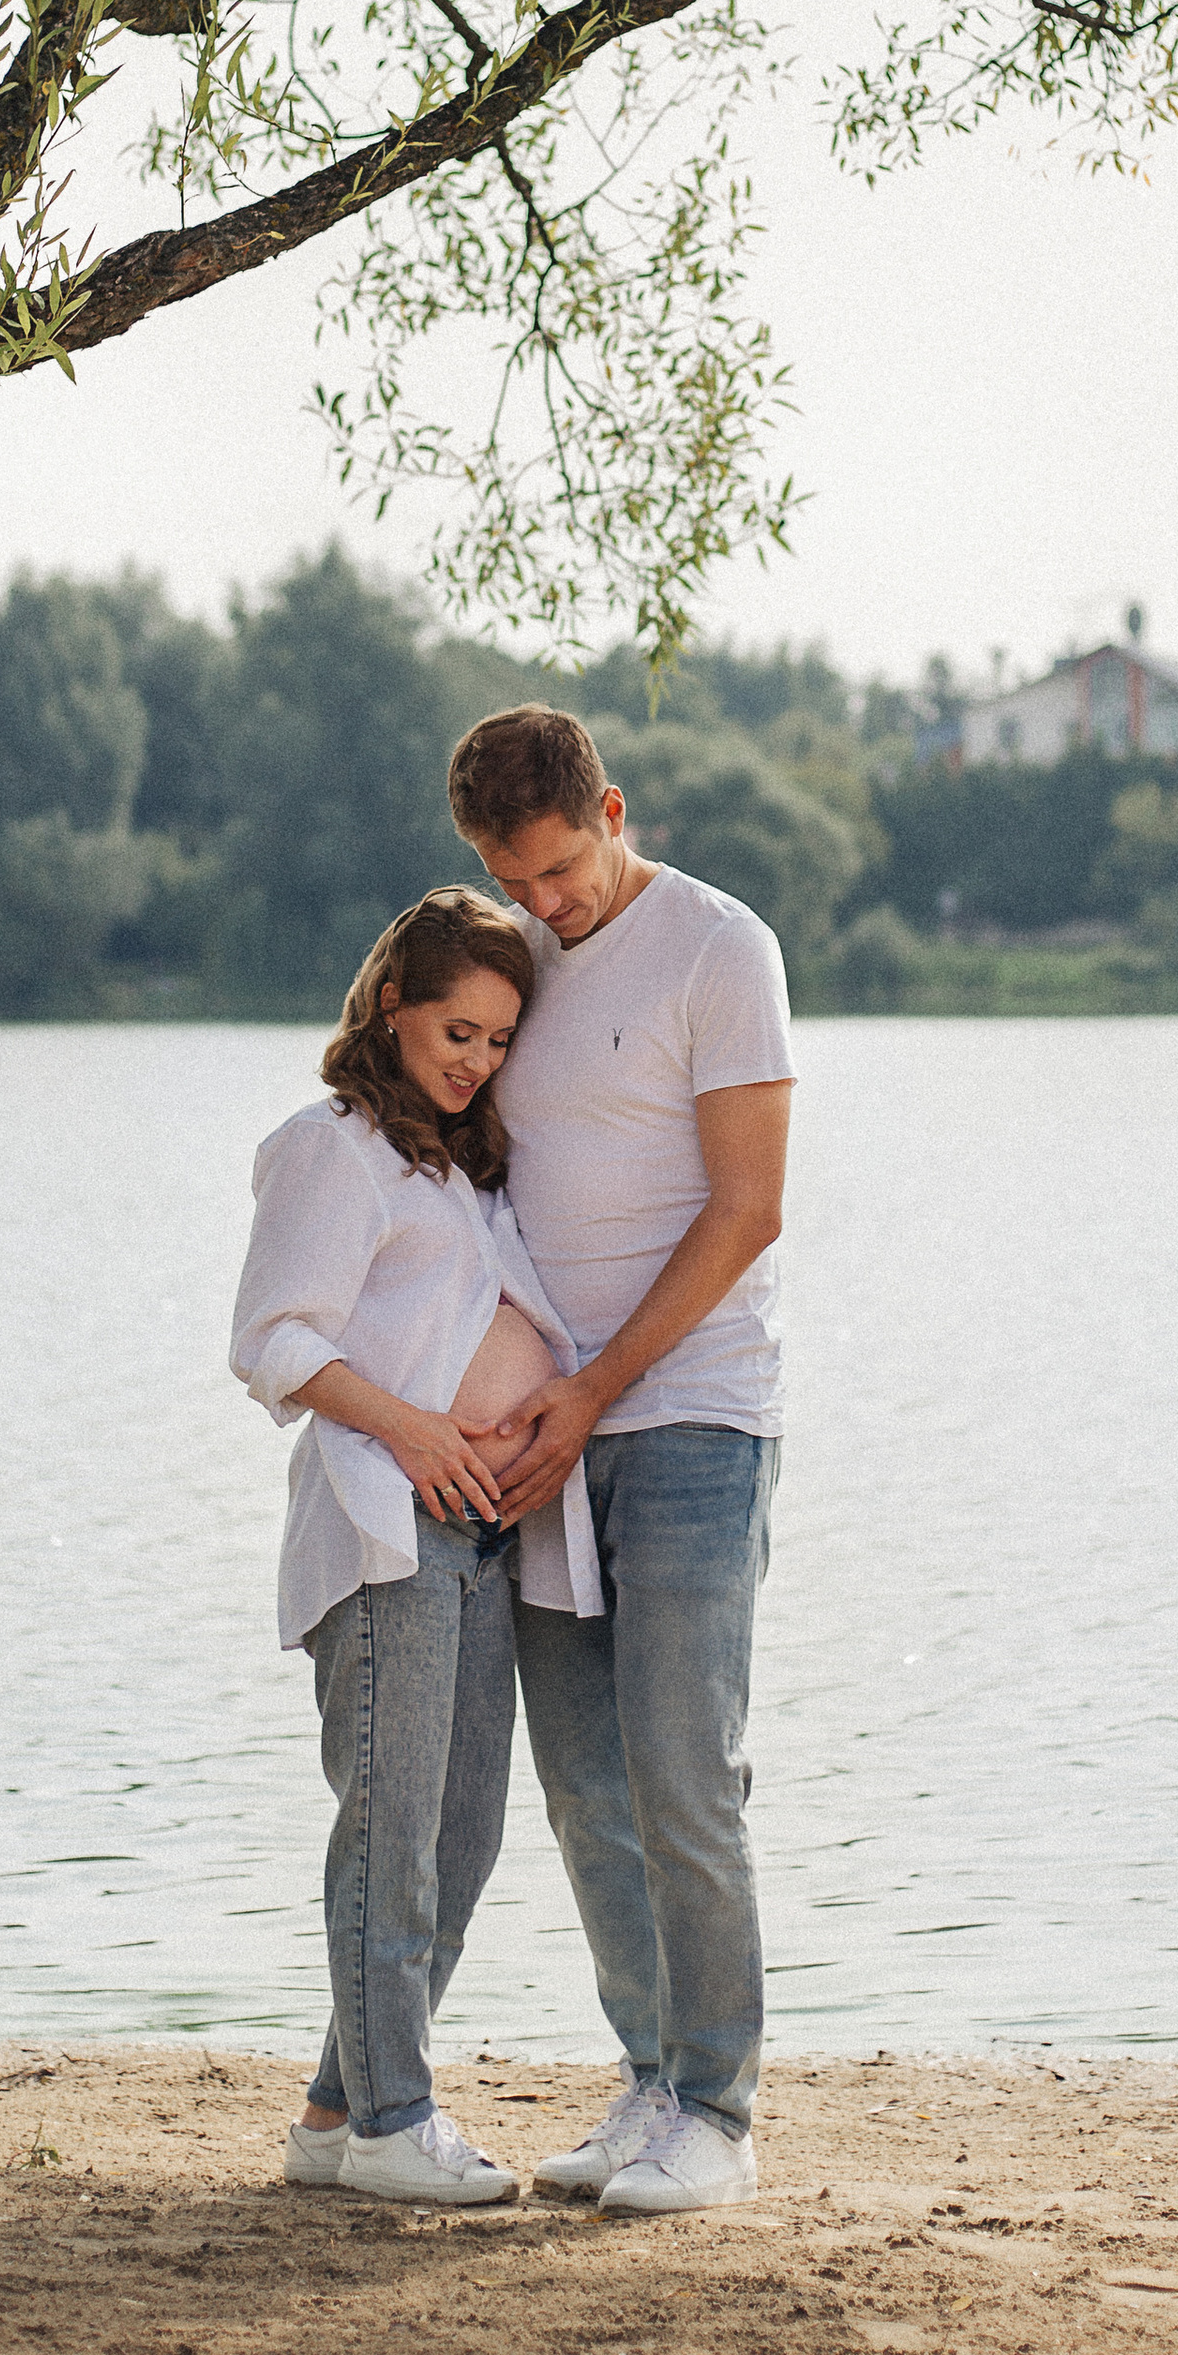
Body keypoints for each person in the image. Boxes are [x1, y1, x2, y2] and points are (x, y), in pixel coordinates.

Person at [447, 704, 794, 2218]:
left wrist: (593, 1394)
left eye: (559, 870)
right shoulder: (521, 963)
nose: (542, 905)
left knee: (679, 1767)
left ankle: (716, 2106)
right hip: (550, 1430)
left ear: (612, 807)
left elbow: (748, 1210)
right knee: (585, 1783)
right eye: (511, 881)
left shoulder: (724, 951)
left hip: (689, 1415)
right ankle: (651, 2079)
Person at [230, 885, 602, 2208]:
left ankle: (339, 2117)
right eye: (458, 1032)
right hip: (387, 1532)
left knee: (461, 1835)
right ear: (392, 1005)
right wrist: (424, 1438)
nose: (477, 1061)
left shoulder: (451, 1160)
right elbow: (276, 1338)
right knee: (391, 1831)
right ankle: (396, 2119)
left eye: (499, 1041)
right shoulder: (329, 1149)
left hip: (478, 1536)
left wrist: (500, 1452)